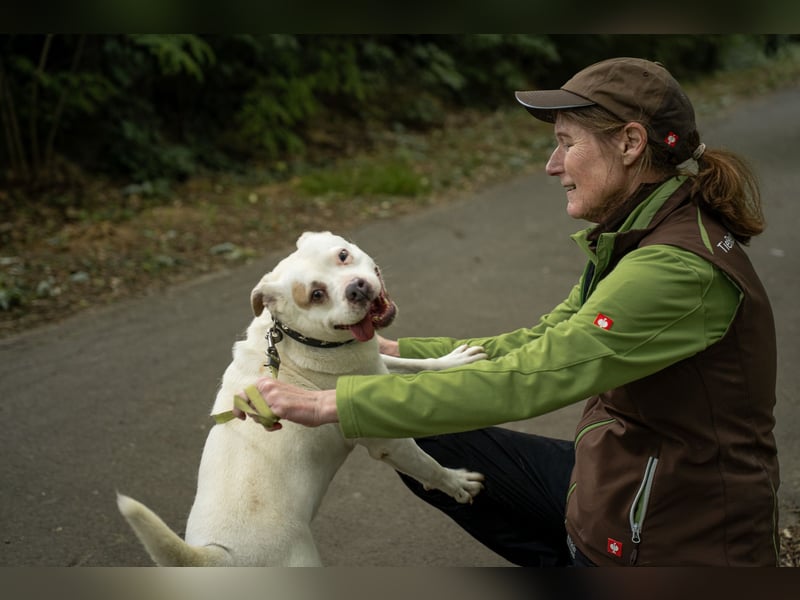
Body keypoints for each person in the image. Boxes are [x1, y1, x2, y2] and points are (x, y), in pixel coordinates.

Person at [234, 57, 779, 566]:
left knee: (410, 418)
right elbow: (542, 338)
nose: (552, 165)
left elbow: (533, 377)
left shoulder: (674, 269)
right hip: (625, 475)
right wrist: (400, 354)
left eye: (567, 143)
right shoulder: (640, 233)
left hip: (677, 535)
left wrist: (330, 403)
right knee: (428, 434)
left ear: (631, 143)